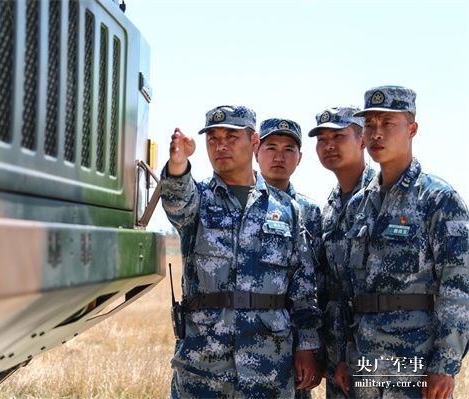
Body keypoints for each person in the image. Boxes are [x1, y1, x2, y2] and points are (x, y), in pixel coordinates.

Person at [160, 105, 322, 398]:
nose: (221, 145)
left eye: (231, 137)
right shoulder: (199, 201)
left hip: (269, 365)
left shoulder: (286, 209)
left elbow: (303, 287)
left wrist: (307, 346)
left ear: (254, 142)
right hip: (203, 366)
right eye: (212, 139)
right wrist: (178, 162)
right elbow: (175, 201)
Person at [335, 86, 469, 399]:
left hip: (416, 362)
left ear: (412, 129)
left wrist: (445, 364)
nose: (376, 133)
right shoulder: (357, 206)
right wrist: (342, 355)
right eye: (369, 125)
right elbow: (347, 289)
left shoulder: (439, 200)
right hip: (365, 361)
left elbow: (458, 288)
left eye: (387, 123)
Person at [307, 106, 376, 398]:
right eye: (321, 139)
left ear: (363, 141)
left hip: (377, 355)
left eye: (338, 135)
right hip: (338, 358)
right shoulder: (330, 208)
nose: (329, 145)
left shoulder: (383, 198)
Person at [254, 118, 324, 399]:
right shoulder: (241, 205)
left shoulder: (309, 211)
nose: (279, 157)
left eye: (288, 149)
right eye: (271, 147)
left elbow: (315, 280)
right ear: (256, 151)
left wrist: (309, 345)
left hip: (293, 342)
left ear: (300, 158)